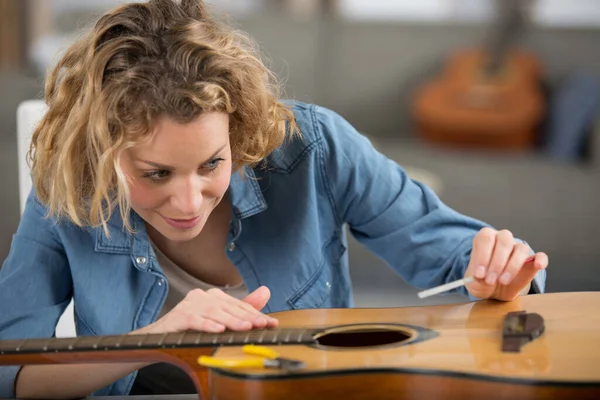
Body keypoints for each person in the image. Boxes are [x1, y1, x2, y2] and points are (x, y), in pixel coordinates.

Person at [0, 0, 548, 398]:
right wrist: (151, 341)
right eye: (157, 172)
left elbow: (459, 254)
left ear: (236, 129)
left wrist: (502, 270)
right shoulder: (66, 185)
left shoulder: (315, 147)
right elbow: (11, 373)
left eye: (212, 163)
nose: (189, 200)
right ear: (103, 151)